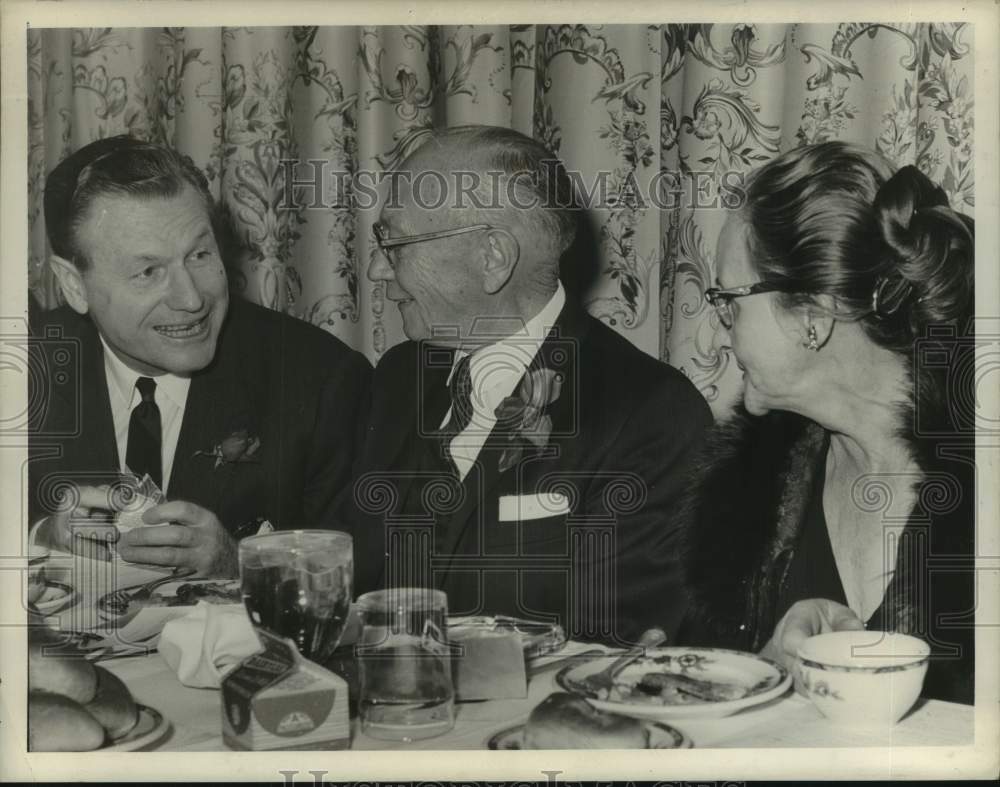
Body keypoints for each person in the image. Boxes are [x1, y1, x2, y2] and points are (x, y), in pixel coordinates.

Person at [350, 125, 712, 645]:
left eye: (395, 243)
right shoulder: (397, 379)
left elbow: (618, 656)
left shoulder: (651, 415)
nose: (376, 269)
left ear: (493, 258)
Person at [678, 141, 975, 703]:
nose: (722, 330)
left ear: (812, 313)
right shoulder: (746, 499)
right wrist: (768, 675)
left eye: (730, 302)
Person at [28, 136, 371, 577]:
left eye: (200, 255)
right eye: (148, 272)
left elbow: (363, 579)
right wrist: (41, 538)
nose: (191, 299)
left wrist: (238, 564)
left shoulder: (321, 379)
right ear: (74, 285)